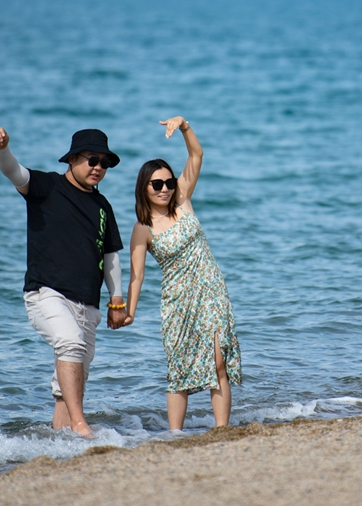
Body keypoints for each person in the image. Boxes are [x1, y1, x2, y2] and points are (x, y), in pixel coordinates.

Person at [0, 127, 128, 438]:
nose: (98, 167)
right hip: (47, 293)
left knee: (73, 379)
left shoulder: (103, 207)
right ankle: (81, 426)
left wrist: (117, 301)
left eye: (105, 163)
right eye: (92, 160)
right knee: (70, 343)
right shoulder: (47, 186)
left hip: (88, 303)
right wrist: (2, 149)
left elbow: (111, 256)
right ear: (72, 159)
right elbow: (13, 171)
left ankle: (63, 441)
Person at [123, 116, 242, 430]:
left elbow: (196, 155)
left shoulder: (182, 201)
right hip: (178, 302)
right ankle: (174, 435)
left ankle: (222, 430)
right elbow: (137, 276)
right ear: (144, 188)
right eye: (157, 184)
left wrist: (185, 126)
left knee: (218, 360)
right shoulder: (142, 228)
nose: (165, 189)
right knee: (180, 368)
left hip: (211, 290)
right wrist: (129, 311)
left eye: (169, 182)